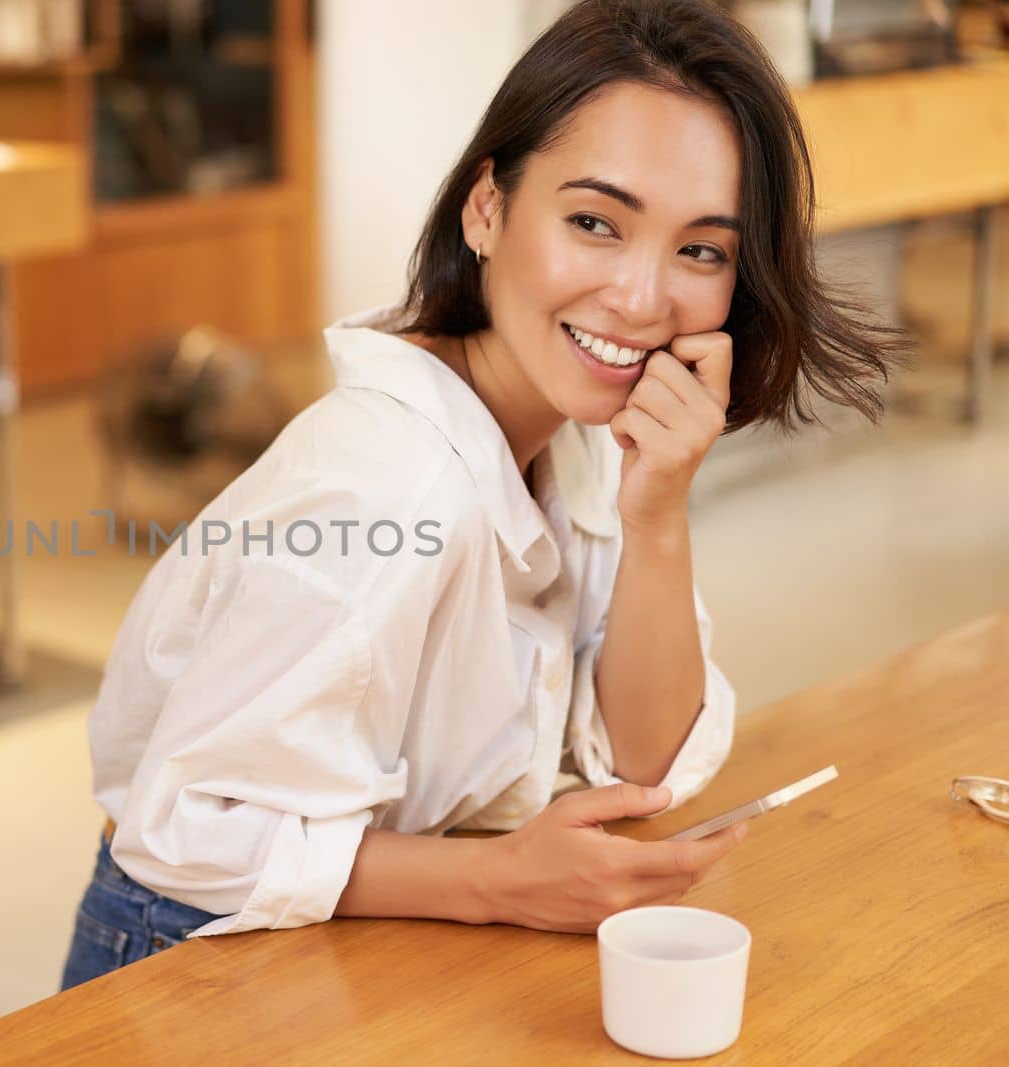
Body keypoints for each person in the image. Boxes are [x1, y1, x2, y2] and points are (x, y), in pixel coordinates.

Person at [60, 0, 903, 990]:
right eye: (594, 222)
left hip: (368, 936)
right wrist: (497, 878)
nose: (641, 297)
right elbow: (185, 834)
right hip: (193, 948)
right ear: (487, 209)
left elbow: (642, 761)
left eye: (700, 250)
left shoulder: (573, 433)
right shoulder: (382, 483)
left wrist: (658, 512)